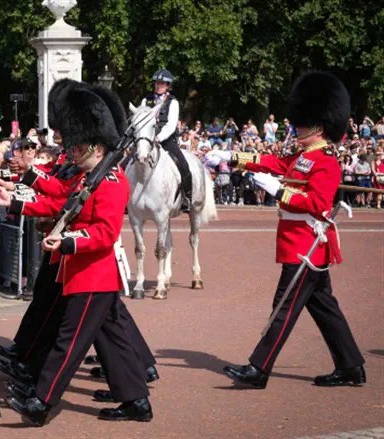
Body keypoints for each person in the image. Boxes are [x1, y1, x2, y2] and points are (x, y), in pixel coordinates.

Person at [0, 86, 152, 425]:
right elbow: (59, 203)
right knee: (112, 341)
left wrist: (66, 242)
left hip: (91, 274)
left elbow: (105, 234)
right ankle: (137, 401)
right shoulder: (86, 177)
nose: (72, 150)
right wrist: (18, 203)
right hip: (82, 273)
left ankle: (42, 402)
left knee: (68, 342)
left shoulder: (110, 181)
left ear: (94, 145)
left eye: (77, 146)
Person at [223, 71, 366, 390]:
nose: (296, 126)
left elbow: (316, 202)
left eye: (303, 122)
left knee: (284, 307)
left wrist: (278, 191)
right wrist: (237, 158)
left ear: (320, 125)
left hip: (309, 247)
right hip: (298, 244)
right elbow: (274, 163)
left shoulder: (327, 162)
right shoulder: (303, 156)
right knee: (325, 307)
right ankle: (351, 366)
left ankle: (258, 369)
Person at [142, 69, 192, 212]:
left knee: (183, 165)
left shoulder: (173, 102)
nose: (159, 86)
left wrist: (158, 138)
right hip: (146, 139)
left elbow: (171, 125)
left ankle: (187, 197)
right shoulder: (146, 100)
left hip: (165, 140)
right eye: (157, 83)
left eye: (162, 83)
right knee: (128, 163)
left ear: (168, 85)